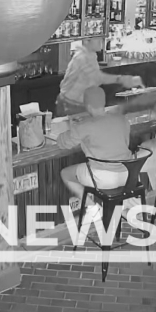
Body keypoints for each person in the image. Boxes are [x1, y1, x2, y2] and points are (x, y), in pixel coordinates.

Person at [57, 86, 134, 219]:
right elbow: (124, 142)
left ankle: (92, 208)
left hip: (103, 178)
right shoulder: (121, 119)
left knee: (66, 173)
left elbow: (63, 142)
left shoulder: (86, 125)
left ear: (87, 105)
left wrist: (72, 128)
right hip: (128, 174)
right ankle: (121, 210)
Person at [56, 37, 144, 117]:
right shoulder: (82, 57)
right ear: (87, 41)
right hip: (70, 105)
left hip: (77, 104)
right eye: (98, 39)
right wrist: (122, 79)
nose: (101, 42)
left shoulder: (90, 55)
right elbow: (97, 77)